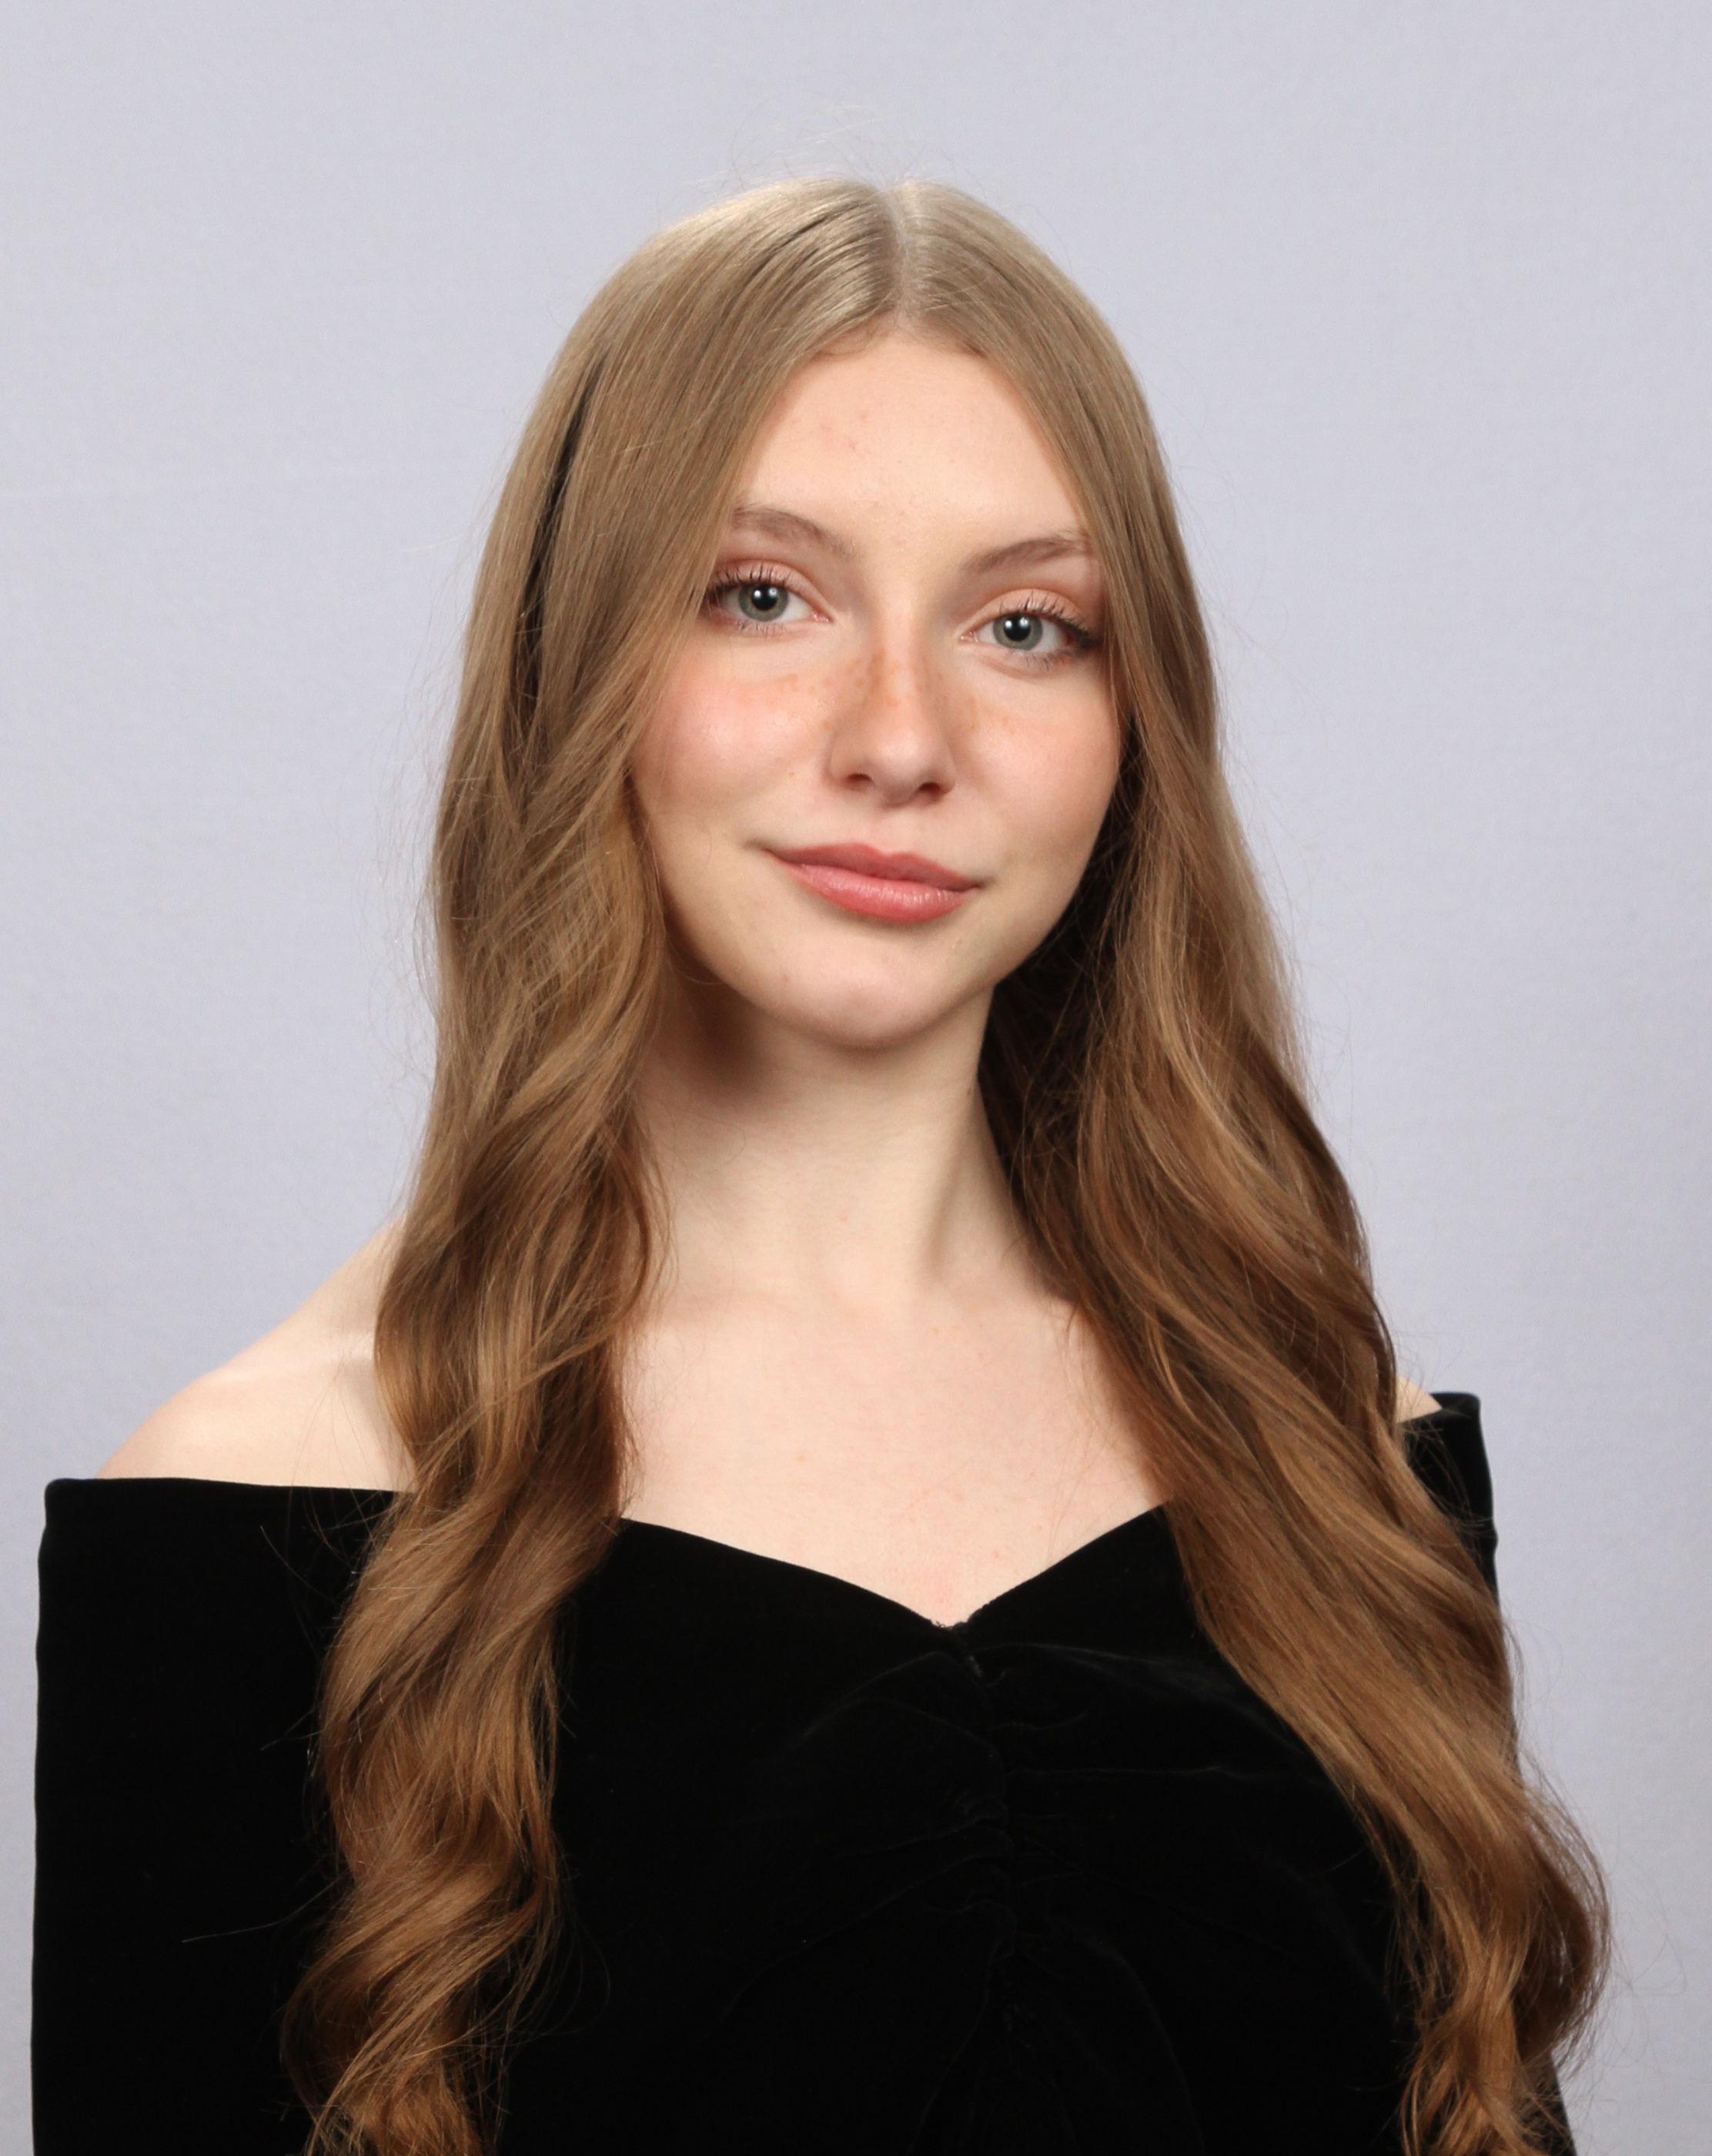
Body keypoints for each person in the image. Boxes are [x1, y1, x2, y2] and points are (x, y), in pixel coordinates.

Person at [32, 179, 1604, 2156]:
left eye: (1025, 626)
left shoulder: (1330, 1449)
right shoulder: (261, 1503)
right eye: (763, 595)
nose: (901, 737)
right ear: (577, 662)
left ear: (1132, 727)